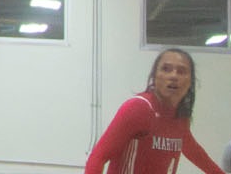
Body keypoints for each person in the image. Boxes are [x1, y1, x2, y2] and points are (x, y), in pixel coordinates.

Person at [85, 47, 223, 174]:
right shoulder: (139, 108)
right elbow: (98, 157)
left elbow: (193, 151)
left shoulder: (181, 116)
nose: (173, 76)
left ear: (191, 81)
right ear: (154, 76)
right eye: (166, 69)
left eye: (181, 71)